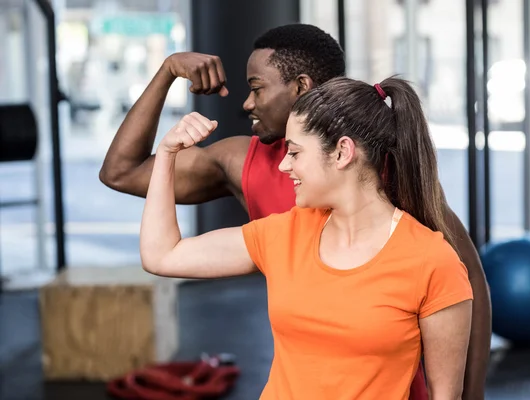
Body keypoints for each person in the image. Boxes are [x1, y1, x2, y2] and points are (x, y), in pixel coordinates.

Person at [100, 24, 491, 400]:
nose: (246, 102)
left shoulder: (400, 191)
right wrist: (168, 74)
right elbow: (124, 177)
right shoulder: (272, 211)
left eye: (256, 88)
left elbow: (463, 284)